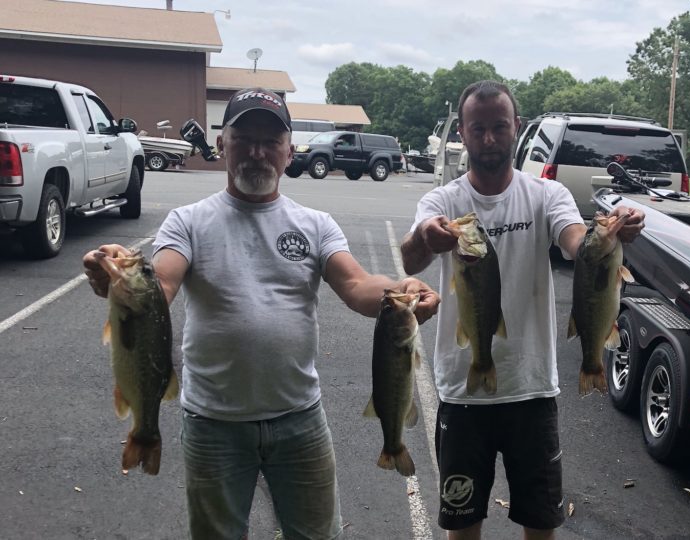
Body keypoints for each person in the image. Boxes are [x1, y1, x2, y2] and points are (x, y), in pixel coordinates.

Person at [83, 87, 440, 540]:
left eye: (271, 142)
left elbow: (355, 285)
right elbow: (162, 283)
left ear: (289, 151)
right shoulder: (188, 221)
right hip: (213, 424)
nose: (257, 152)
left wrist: (402, 287)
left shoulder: (314, 224)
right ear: (221, 145)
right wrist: (113, 277)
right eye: (243, 139)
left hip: (299, 420)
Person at [400, 80, 644, 540]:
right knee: (462, 521)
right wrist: (424, 238)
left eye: (498, 127)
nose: (489, 139)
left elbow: (574, 242)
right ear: (463, 135)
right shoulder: (442, 201)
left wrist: (604, 237)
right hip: (462, 393)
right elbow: (411, 257)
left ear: (516, 127)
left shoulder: (546, 196)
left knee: (540, 521)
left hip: (532, 391)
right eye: (477, 129)